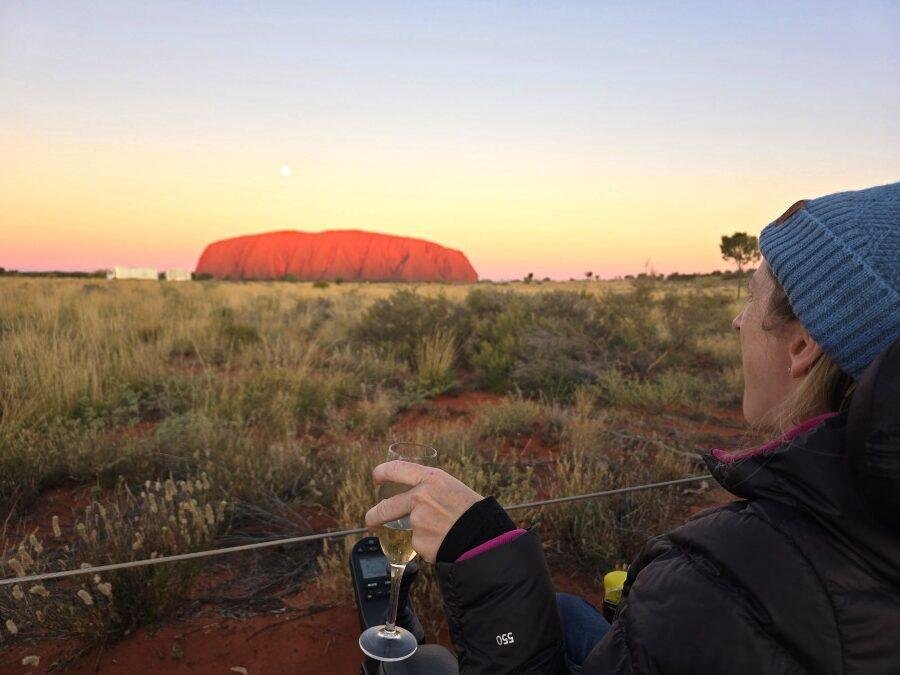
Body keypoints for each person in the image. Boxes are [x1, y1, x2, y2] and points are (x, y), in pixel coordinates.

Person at [368, 182, 900, 673]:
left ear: (803, 344)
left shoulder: (722, 585)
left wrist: (479, 545)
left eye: (751, 296)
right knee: (568, 611)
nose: (737, 320)